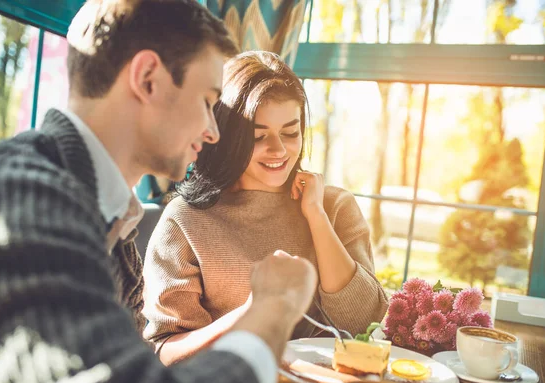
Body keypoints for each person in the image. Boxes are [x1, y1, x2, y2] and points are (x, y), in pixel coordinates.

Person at [0, 1, 318, 383]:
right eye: (208, 102)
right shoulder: (20, 196)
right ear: (148, 78)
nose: (213, 132)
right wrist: (272, 309)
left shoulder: (111, 218)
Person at [142, 51, 389, 364]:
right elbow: (166, 352)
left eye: (290, 132)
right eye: (259, 137)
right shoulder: (184, 221)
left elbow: (363, 322)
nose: (279, 149)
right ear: (228, 138)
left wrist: (317, 217)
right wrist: (255, 310)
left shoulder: (334, 205)